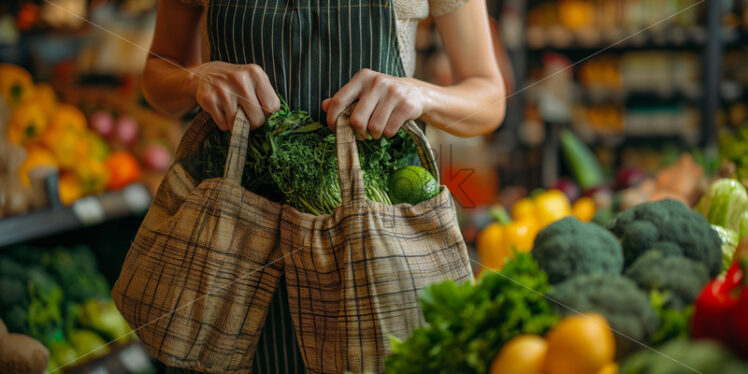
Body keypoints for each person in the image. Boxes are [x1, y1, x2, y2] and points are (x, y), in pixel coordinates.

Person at [142, 0, 505, 372]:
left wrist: (420, 95)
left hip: (374, 245)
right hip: (226, 239)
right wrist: (193, 79)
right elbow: (157, 73)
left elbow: (489, 94)